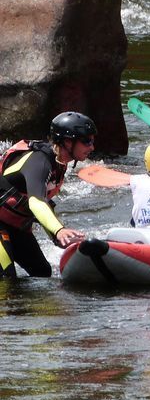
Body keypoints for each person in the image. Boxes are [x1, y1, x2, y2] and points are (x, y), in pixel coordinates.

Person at [0, 112, 95, 278]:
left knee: (42, 272)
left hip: (13, 224)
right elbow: (36, 203)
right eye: (86, 141)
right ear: (68, 141)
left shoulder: (58, 165)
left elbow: (43, 205)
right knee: (7, 280)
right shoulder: (40, 161)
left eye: (92, 141)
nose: (92, 147)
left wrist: (57, 238)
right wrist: (59, 230)